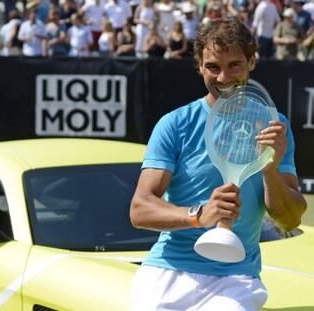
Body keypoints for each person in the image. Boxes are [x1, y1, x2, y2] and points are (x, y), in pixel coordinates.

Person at [129, 17, 307, 311]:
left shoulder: (276, 127)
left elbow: (289, 220)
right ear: (199, 65)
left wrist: (270, 170)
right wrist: (199, 215)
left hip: (236, 278)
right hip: (167, 269)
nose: (223, 78)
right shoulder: (174, 124)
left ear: (252, 61)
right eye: (213, 67)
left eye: (234, 65)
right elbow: (139, 209)